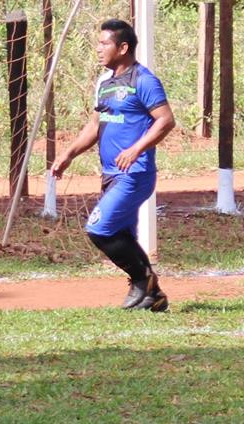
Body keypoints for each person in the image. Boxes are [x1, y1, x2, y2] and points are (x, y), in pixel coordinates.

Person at [52, 19, 175, 312]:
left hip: (135, 173)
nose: (98, 49)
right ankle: (153, 296)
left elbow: (166, 120)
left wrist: (136, 149)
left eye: (104, 43)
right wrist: (69, 154)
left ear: (123, 47)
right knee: (124, 235)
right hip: (110, 174)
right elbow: (95, 125)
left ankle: (143, 281)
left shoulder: (143, 80)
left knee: (100, 228)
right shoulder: (105, 83)